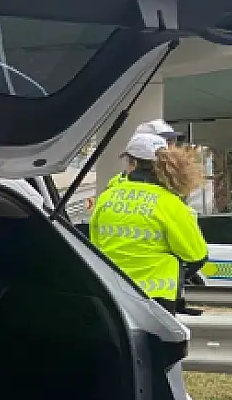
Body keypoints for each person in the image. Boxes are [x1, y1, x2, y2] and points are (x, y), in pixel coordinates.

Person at [89, 133, 208, 313]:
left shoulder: (106, 198)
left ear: (133, 163)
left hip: (112, 293)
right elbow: (197, 256)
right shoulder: (170, 203)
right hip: (157, 297)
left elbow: (95, 246)